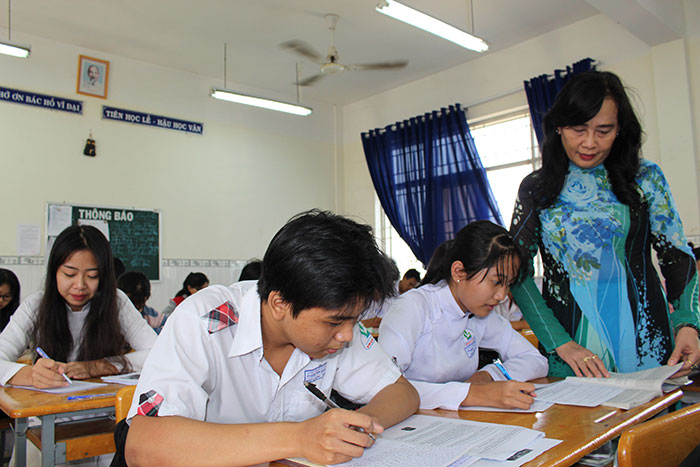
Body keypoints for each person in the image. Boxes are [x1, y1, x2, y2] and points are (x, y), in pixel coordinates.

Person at [124, 210, 419, 466]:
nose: (346, 335)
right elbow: (143, 446)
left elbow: (402, 393)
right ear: (280, 304)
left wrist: (354, 429)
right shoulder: (206, 320)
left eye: (354, 319)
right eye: (334, 322)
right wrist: (300, 438)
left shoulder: (338, 328)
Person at [509, 70, 700, 378]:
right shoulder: (536, 188)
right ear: (559, 126)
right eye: (578, 129)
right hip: (570, 348)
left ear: (620, 129)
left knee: (652, 411)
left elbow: (676, 255)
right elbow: (516, 271)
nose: (589, 143)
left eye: (604, 130)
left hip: (648, 340)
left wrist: (688, 323)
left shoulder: (646, 178)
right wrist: (560, 343)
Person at [378, 220, 547, 411]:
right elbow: (384, 386)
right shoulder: (413, 307)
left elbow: (536, 360)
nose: (501, 295)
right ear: (459, 272)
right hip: (409, 420)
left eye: (508, 284)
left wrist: (489, 375)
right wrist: (472, 394)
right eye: (496, 282)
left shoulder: (480, 314)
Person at [0, 225, 157, 389]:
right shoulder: (36, 305)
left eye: (92, 276)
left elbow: (158, 352)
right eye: (69, 274)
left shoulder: (116, 301)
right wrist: (31, 375)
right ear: (54, 272)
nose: (80, 285)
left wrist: (98, 366)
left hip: (102, 401)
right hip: (48, 403)